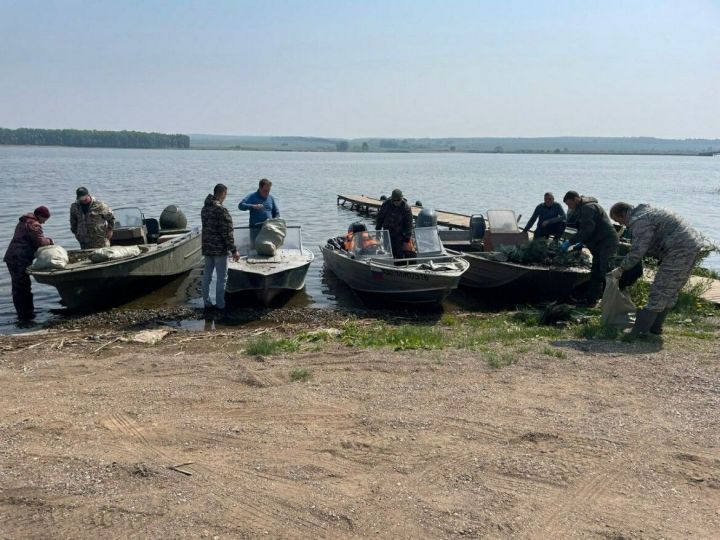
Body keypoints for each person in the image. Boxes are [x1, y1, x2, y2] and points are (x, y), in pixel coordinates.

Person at [609, 202, 705, 337]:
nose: (622, 225)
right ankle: (655, 327)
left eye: (619, 220)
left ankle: (639, 331)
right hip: (691, 245)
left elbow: (637, 251)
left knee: (660, 289)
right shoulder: (647, 211)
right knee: (671, 289)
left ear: (623, 214)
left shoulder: (640, 221)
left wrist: (621, 268)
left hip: (678, 250)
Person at [561, 191, 619, 306]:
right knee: (595, 272)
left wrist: (570, 242)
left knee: (606, 271)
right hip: (598, 242)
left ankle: (612, 301)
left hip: (607, 242)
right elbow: (588, 229)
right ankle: (591, 301)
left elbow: (587, 230)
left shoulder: (588, 208)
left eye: (569, 204)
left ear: (576, 199)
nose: (569, 207)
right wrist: (582, 242)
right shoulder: (582, 207)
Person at [3, 206, 53, 320]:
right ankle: (26, 314)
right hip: (19, 258)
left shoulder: (24, 221)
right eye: (45, 220)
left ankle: (23, 314)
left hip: (13, 257)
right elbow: (41, 243)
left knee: (18, 287)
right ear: (41, 216)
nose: (44, 223)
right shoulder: (34, 224)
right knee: (22, 287)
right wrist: (50, 241)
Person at [201, 183, 240, 311]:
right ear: (222, 193)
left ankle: (206, 303)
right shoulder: (221, 210)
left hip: (207, 247)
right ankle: (220, 305)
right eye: (225, 195)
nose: (225, 197)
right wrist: (233, 250)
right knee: (221, 278)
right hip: (219, 249)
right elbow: (227, 232)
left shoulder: (205, 208)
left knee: (207, 276)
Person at [376, 188, 414, 258]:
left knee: (399, 254)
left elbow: (409, 225)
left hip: (400, 235)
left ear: (401, 199)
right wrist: (378, 230)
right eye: (394, 200)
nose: (396, 202)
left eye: (398, 200)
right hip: (387, 233)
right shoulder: (386, 205)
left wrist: (407, 239)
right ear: (391, 199)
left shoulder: (406, 208)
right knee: (387, 252)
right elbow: (380, 218)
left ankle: (398, 265)